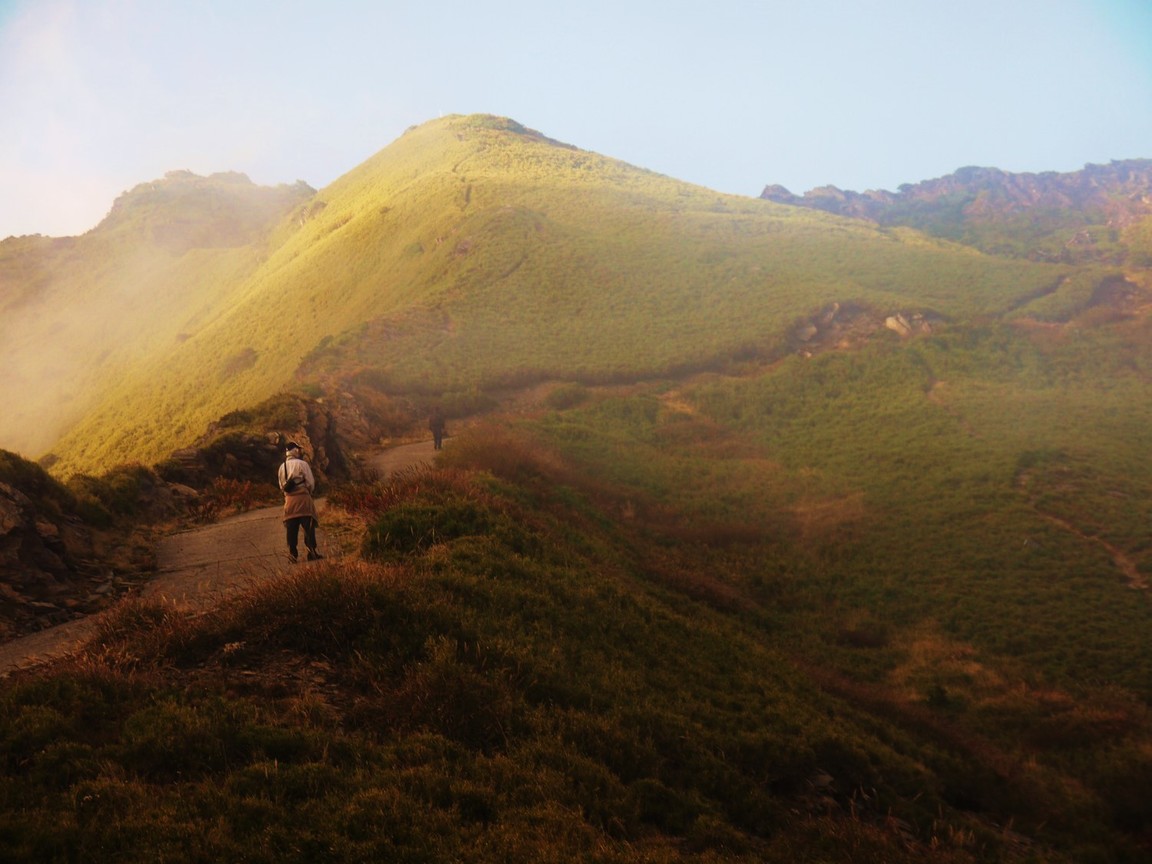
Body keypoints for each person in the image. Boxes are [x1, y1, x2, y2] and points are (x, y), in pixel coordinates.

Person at [278, 441, 322, 563]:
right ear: (295, 450)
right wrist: (309, 492)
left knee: (291, 529)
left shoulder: (282, 467)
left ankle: (293, 555)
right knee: (308, 527)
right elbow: (310, 483)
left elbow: (282, 486)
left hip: (290, 501)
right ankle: (311, 552)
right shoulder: (303, 464)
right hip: (303, 499)